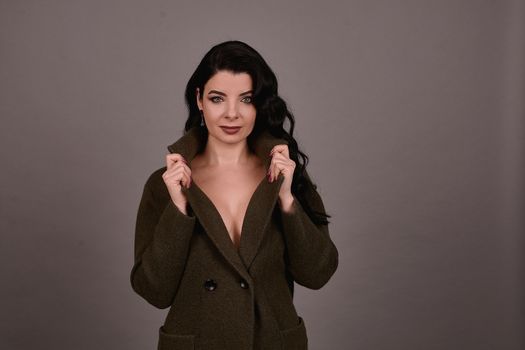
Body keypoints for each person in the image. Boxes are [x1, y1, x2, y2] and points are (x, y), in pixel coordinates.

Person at [130, 40, 339, 350]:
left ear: (261, 105)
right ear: (199, 100)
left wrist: (286, 200)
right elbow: (154, 291)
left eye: (246, 99)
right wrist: (178, 210)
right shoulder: (166, 184)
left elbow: (317, 274)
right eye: (217, 98)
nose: (232, 113)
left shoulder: (285, 175)